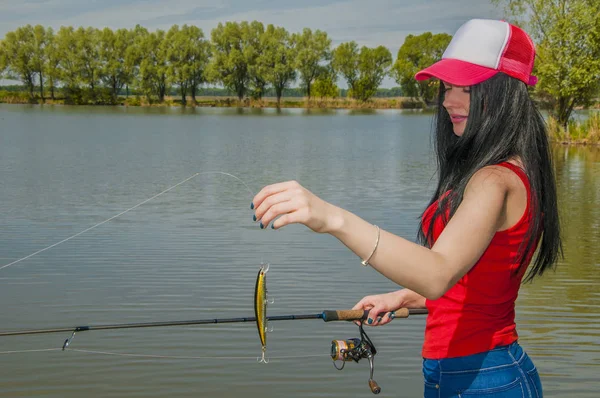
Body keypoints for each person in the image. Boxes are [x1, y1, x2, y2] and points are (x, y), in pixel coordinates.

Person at [250, 18, 561, 397]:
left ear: (504, 92)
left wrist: (331, 217)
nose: (448, 99)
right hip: (463, 374)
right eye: (447, 86)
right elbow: (473, 286)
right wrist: (403, 297)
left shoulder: (494, 181)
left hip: (487, 379)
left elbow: (438, 273)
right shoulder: (504, 171)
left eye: (466, 87)